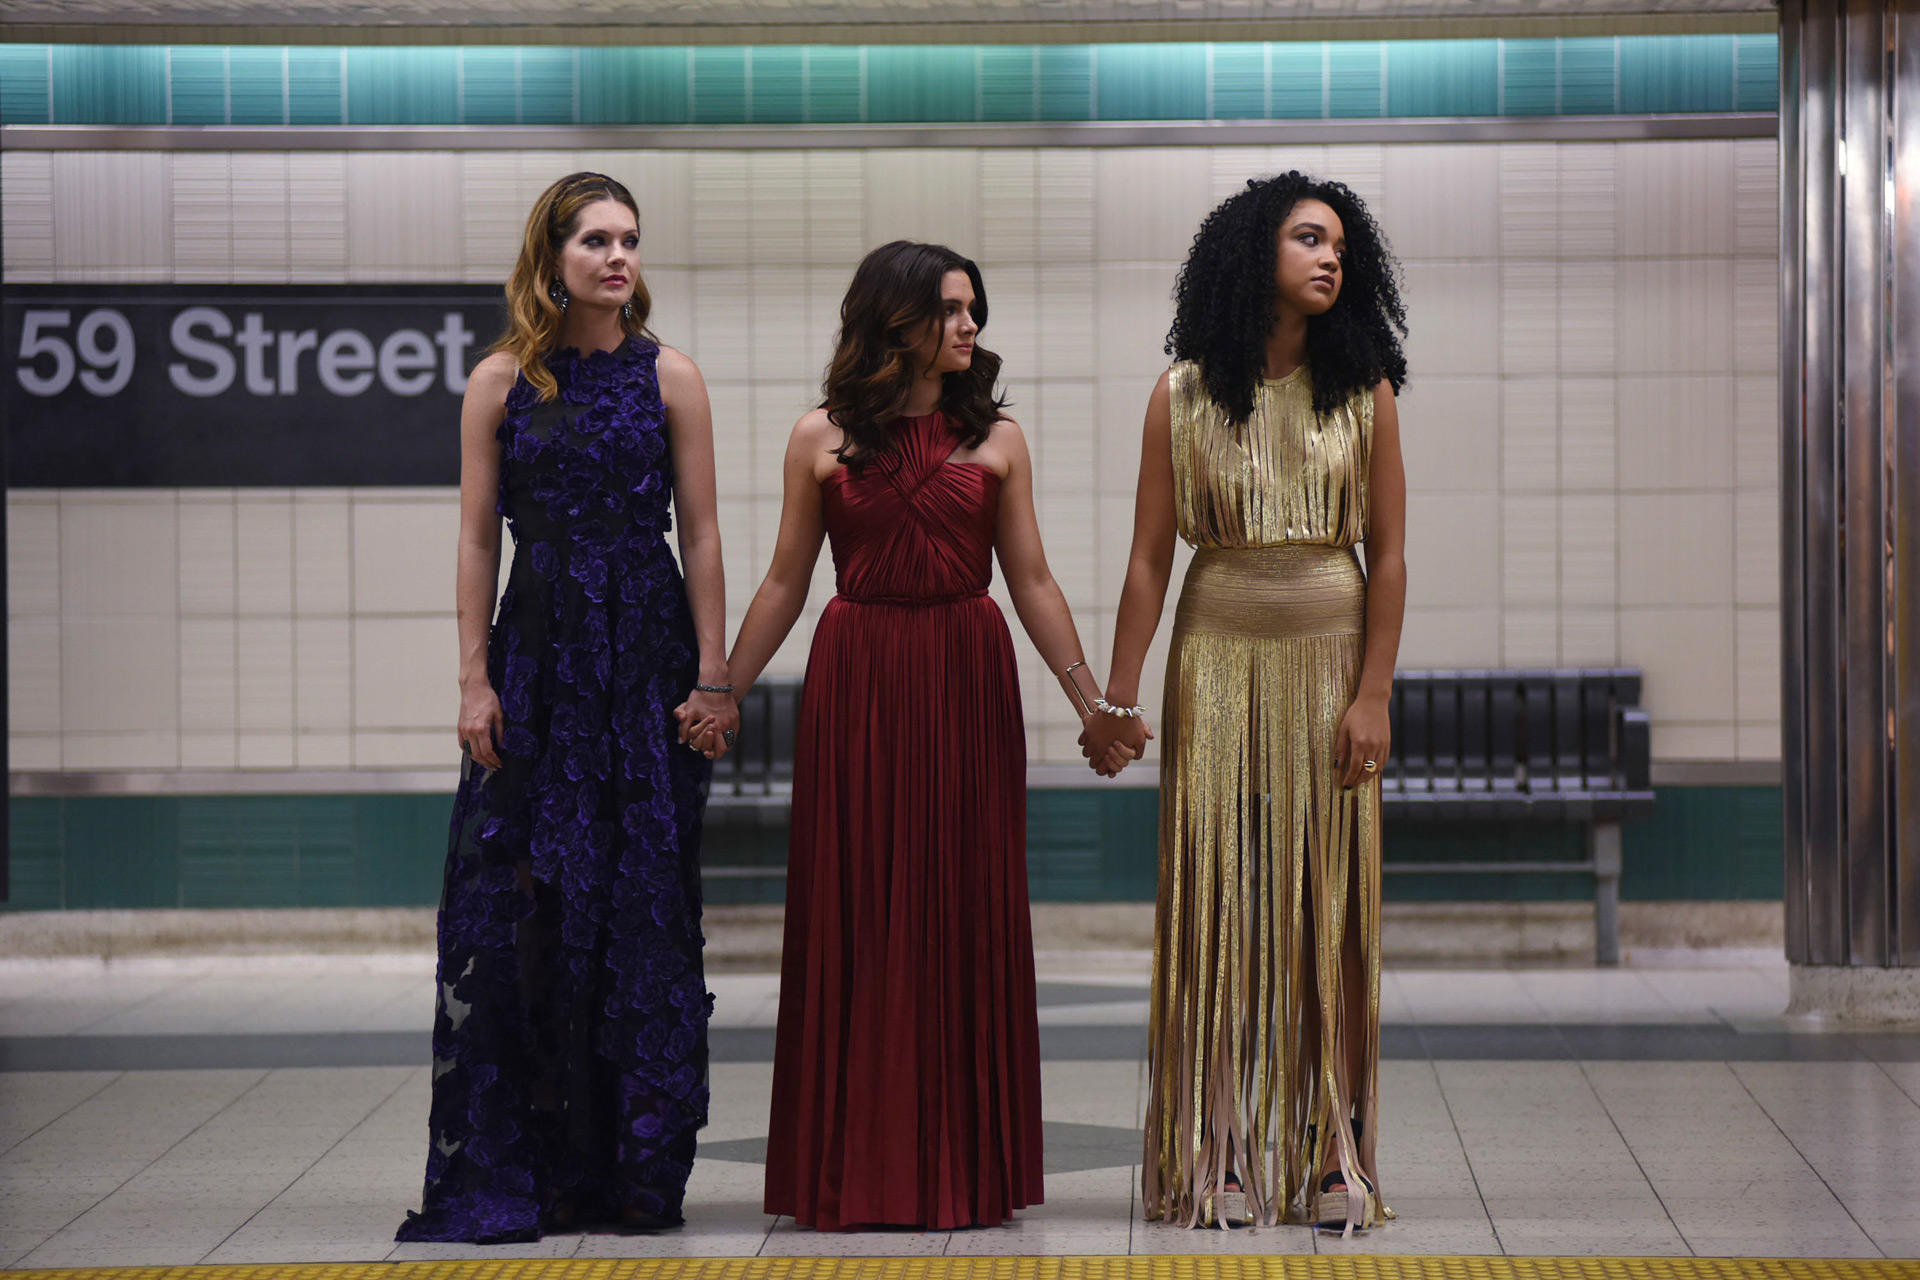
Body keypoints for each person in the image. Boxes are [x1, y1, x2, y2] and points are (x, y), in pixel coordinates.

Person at [702, 240, 1112, 1231]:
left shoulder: (1000, 438)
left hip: (967, 676)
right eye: (954, 309)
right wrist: (721, 688)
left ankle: (959, 1162)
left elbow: (1035, 583)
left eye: (976, 309)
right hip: (860, 680)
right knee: (860, 904)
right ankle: (858, 1160)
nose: (973, 326)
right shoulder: (819, 438)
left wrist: (1093, 703)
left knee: (959, 901)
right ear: (898, 322)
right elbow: (786, 582)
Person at [398, 171, 738, 1244]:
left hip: (643, 654)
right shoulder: (500, 379)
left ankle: (640, 1161)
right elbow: (473, 538)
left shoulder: (672, 376)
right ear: (551, 258)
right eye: (594, 239)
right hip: (539, 651)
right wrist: (472, 677)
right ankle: (544, 1159)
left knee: (643, 901)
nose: (617, 256)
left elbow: (706, 532)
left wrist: (715, 674)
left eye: (629, 238)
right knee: (533, 904)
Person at [1083, 172, 1408, 1233]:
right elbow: (1144, 562)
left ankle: (1332, 1149)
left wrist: (1374, 691)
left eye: (1341, 248)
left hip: (1330, 653)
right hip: (1214, 650)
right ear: (1250, 254)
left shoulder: (1364, 391)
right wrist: (1116, 696)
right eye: (1309, 239)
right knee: (1218, 901)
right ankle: (1219, 1146)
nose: (1331, 259)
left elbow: (1391, 557)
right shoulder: (1178, 395)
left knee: (1329, 906)